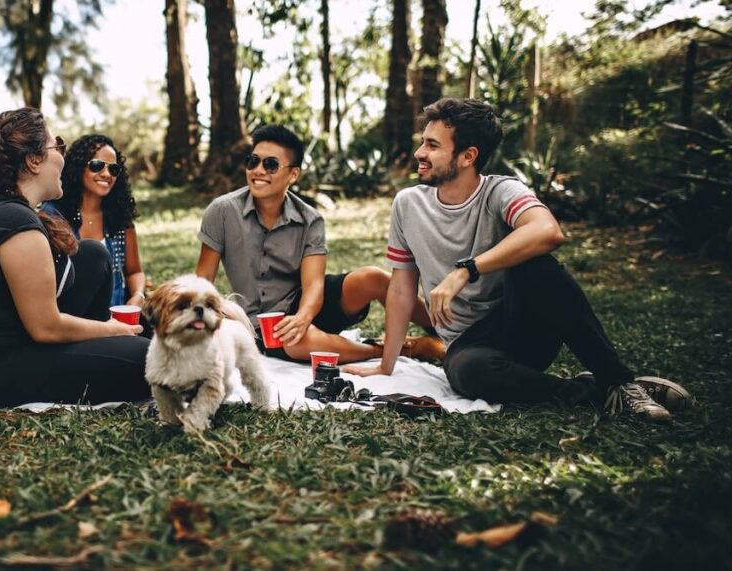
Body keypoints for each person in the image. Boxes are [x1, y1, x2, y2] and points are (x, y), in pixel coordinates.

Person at [345, 98, 688, 421]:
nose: (420, 152)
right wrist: (385, 365)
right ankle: (597, 391)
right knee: (468, 373)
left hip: (524, 326)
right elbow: (402, 289)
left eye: (433, 146)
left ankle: (619, 381)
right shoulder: (408, 204)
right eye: (423, 141)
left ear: (468, 156)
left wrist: (467, 270)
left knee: (537, 263)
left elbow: (548, 231)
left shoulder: (501, 191)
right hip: (469, 346)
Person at [0, 108, 151, 407]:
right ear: (34, 161)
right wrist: (113, 329)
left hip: (13, 339)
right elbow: (46, 327)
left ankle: (104, 348)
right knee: (148, 359)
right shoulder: (13, 223)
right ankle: (109, 348)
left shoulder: (5, 208)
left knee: (92, 255)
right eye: (57, 145)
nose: (62, 155)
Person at [195, 124, 436, 363]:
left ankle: (447, 328)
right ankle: (400, 350)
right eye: (253, 161)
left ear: (293, 174)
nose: (258, 170)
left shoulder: (310, 219)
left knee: (372, 277)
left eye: (270, 164)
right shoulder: (223, 211)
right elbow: (202, 281)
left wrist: (303, 317)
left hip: (307, 304)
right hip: (263, 324)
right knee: (296, 341)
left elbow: (313, 287)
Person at [45, 134, 146, 309]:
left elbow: (134, 271)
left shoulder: (120, 217)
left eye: (113, 169)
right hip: (70, 320)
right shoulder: (53, 215)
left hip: (116, 319)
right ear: (78, 168)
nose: (107, 174)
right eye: (97, 166)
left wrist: (138, 295)